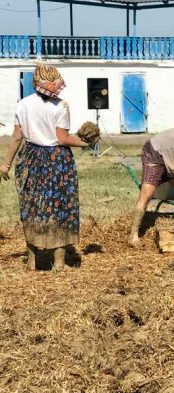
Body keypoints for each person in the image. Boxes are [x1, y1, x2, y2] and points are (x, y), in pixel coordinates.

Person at [0, 63, 90, 270]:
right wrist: (85, 142)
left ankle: (32, 261)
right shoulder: (61, 106)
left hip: (30, 157)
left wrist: (6, 164)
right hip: (56, 161)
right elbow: (63, 138)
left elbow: (16, 137)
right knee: (60, 207)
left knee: (31, 207)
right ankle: (59, 263)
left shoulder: (22, 104)